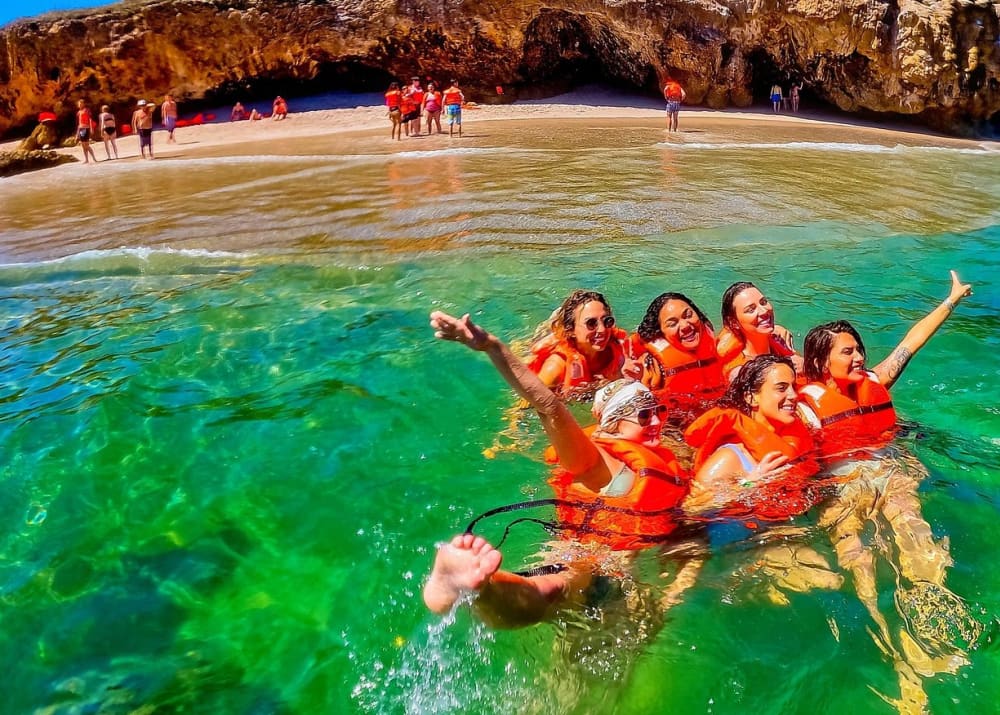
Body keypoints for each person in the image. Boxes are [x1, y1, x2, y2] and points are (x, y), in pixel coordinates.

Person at [423, 311, 697, 627]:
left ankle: (479, 587)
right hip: (590, 565)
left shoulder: (662, 459)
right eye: (642, 415)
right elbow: (549, 407)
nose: (655, 422)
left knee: (564, 633)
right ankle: (476, 586)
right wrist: (493, 347)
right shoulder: (597, 461)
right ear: (612, 423)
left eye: (656, 411)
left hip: (608, 571)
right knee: (553, 587)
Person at [800, 271, 979, 714]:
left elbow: (912, 342)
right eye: (847, 351)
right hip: (843, 489)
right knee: (861, 565)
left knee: (919, 543)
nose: (859, 355)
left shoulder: (878, 380)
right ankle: (897, 660)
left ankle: (929, 636)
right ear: (822, 362)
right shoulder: (803, 406)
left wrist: (950, 301)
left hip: (890, 474)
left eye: (858, 347)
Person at [630, 292, 727, 424]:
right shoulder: (652, 365)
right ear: (660, 333)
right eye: (672, 324)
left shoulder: (717, 348)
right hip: (676, 430)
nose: (685, 326)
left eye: (688, 315)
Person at [526, 290, 632, 398]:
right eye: (591, 323)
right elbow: (526, 406)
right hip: (556, 344)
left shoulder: (619, 348)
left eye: (607, 320)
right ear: (571, 330)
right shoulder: (555, 367)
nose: (602, 330)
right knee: (528, 345)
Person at [716, 281, 802, 381]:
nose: (764, 311)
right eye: (750, 310)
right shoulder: (741, 374)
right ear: (734, 322)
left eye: (763, 302)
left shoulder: (779, 341)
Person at [75, 99, 98, 164]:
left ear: (83, 104)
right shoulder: (78, 112)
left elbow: (90, 119)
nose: (79, 105)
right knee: (83, 145)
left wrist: (91, 128)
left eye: (81, 103)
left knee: (86, 145)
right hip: (81, 129)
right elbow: (78, 124)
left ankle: (94, 158)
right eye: (79, 104)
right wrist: (77, 134)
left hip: (86, 128)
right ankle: (86, 159)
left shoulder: (87, 110)